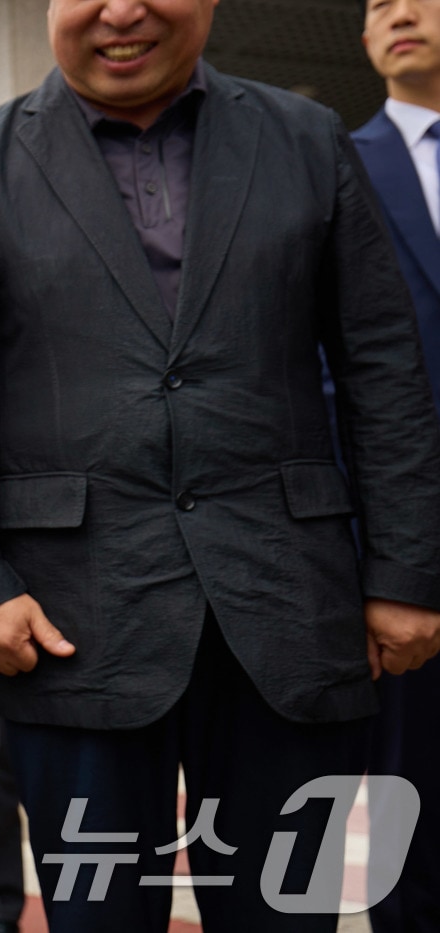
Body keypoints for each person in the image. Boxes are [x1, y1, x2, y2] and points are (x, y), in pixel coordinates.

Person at [0, 0, 440, 930]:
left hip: (290, 614)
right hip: (68, 628)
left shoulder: (307, 140)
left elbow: (382, 365)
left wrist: (407, 570)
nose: (121, 11)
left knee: (286, 913)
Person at [356, 0, 440, 927]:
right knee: (411, 808)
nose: (400, 13)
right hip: (407, 560)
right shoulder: (333, 165)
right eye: (378, 3)